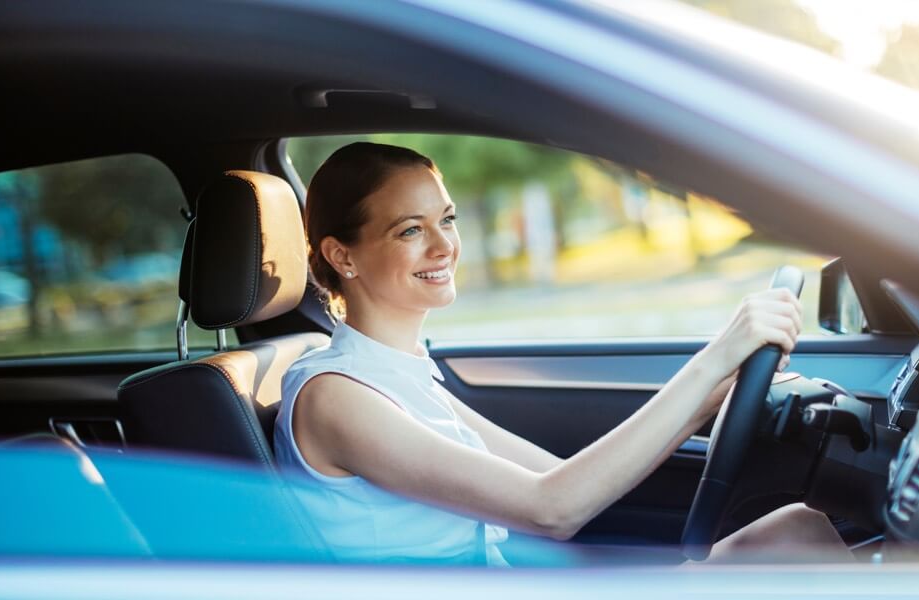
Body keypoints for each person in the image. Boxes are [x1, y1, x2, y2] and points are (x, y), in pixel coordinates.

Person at [274, 142, 851, 566]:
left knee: (798, 530)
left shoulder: (402, 378)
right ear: (342, 256)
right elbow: (551, 509)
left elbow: (556, 478)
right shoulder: (335, 395)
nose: (445, 244)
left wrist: (709, 398)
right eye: (409, 230)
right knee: (797, 540)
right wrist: (711, 360)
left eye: (446, 219)